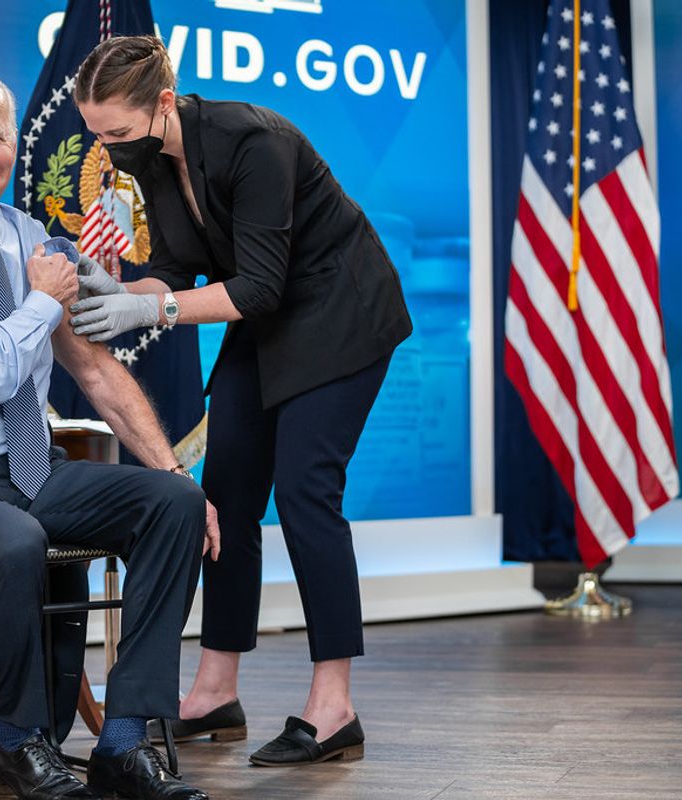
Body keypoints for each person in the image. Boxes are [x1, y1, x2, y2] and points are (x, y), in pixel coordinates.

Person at [0, 70, 219, 800]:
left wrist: (175, 476)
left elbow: (96, 371)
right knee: (13, 538)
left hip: (24, 470)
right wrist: (43, 301)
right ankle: (17, 741)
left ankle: (124, 739)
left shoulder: (25, 236)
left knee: (173, 507)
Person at [69, 36, 413, 767]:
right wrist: (121, 293)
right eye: (94, 135)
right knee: (223, 494)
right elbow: (174, 268)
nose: (107, 151)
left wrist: (153, 315)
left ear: (164, 102)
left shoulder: (254, 139)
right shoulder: (156, 156)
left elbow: (259, 284)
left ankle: (333, 708)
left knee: (306, 490)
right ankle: (214, 691)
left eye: (117, 134)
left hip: (339, 314)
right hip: (263, 323)